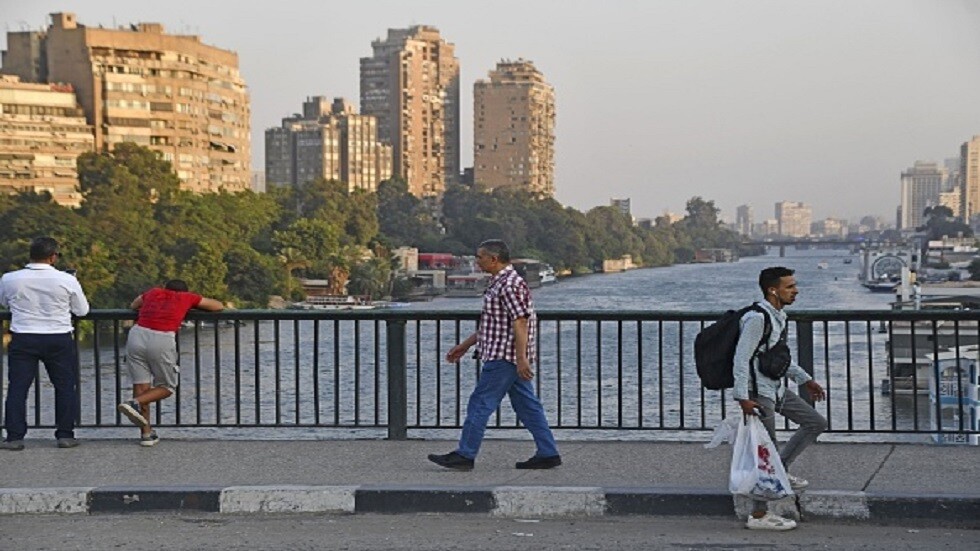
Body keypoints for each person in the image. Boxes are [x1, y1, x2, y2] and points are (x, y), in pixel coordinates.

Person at [428, 239, 561, 470]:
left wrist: (521, 359)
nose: (476, 261)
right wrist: (465, 345)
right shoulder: (502, 282)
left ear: (493, 259)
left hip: (504, 357)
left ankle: (465, 454)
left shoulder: (508, 285)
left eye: (479, 257)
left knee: (480, 403)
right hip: (506, 354)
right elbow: (494, 324)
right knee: (527, 406)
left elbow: (520, 321)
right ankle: (548, 452)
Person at [733, 266, 827, 531]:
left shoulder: (778, 316)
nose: (796, 291)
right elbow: (741, 359)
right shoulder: (757, 319)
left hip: (776, 388)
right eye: (790, 286)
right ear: (773, 290)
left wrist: (805, 379)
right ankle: (759, 515)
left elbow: (776, 357)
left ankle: (781, 470)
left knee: (815, 422)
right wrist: (742, 397)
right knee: (766, 451)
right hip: (759, 393)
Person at [1, 237, 89, 450]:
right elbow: (82, 310)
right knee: (65, 386)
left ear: (30, 255)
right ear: (53, 256)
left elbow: (4, 302)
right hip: (58, 337)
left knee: (18, 388)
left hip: (24, 336)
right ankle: (65, 435)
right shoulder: (66, 280)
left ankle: (14, 437)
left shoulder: (10, 278)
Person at [118, 279, 223, 446]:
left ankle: (146, 434)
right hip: (162, 338)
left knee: (141, 386)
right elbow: (218, 306)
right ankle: (133, 403)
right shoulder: (186, 297)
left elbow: (133, 305)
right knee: (167, 387)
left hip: (137, 335)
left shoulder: (153, 292)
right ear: (184, 291)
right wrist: (191, 305)